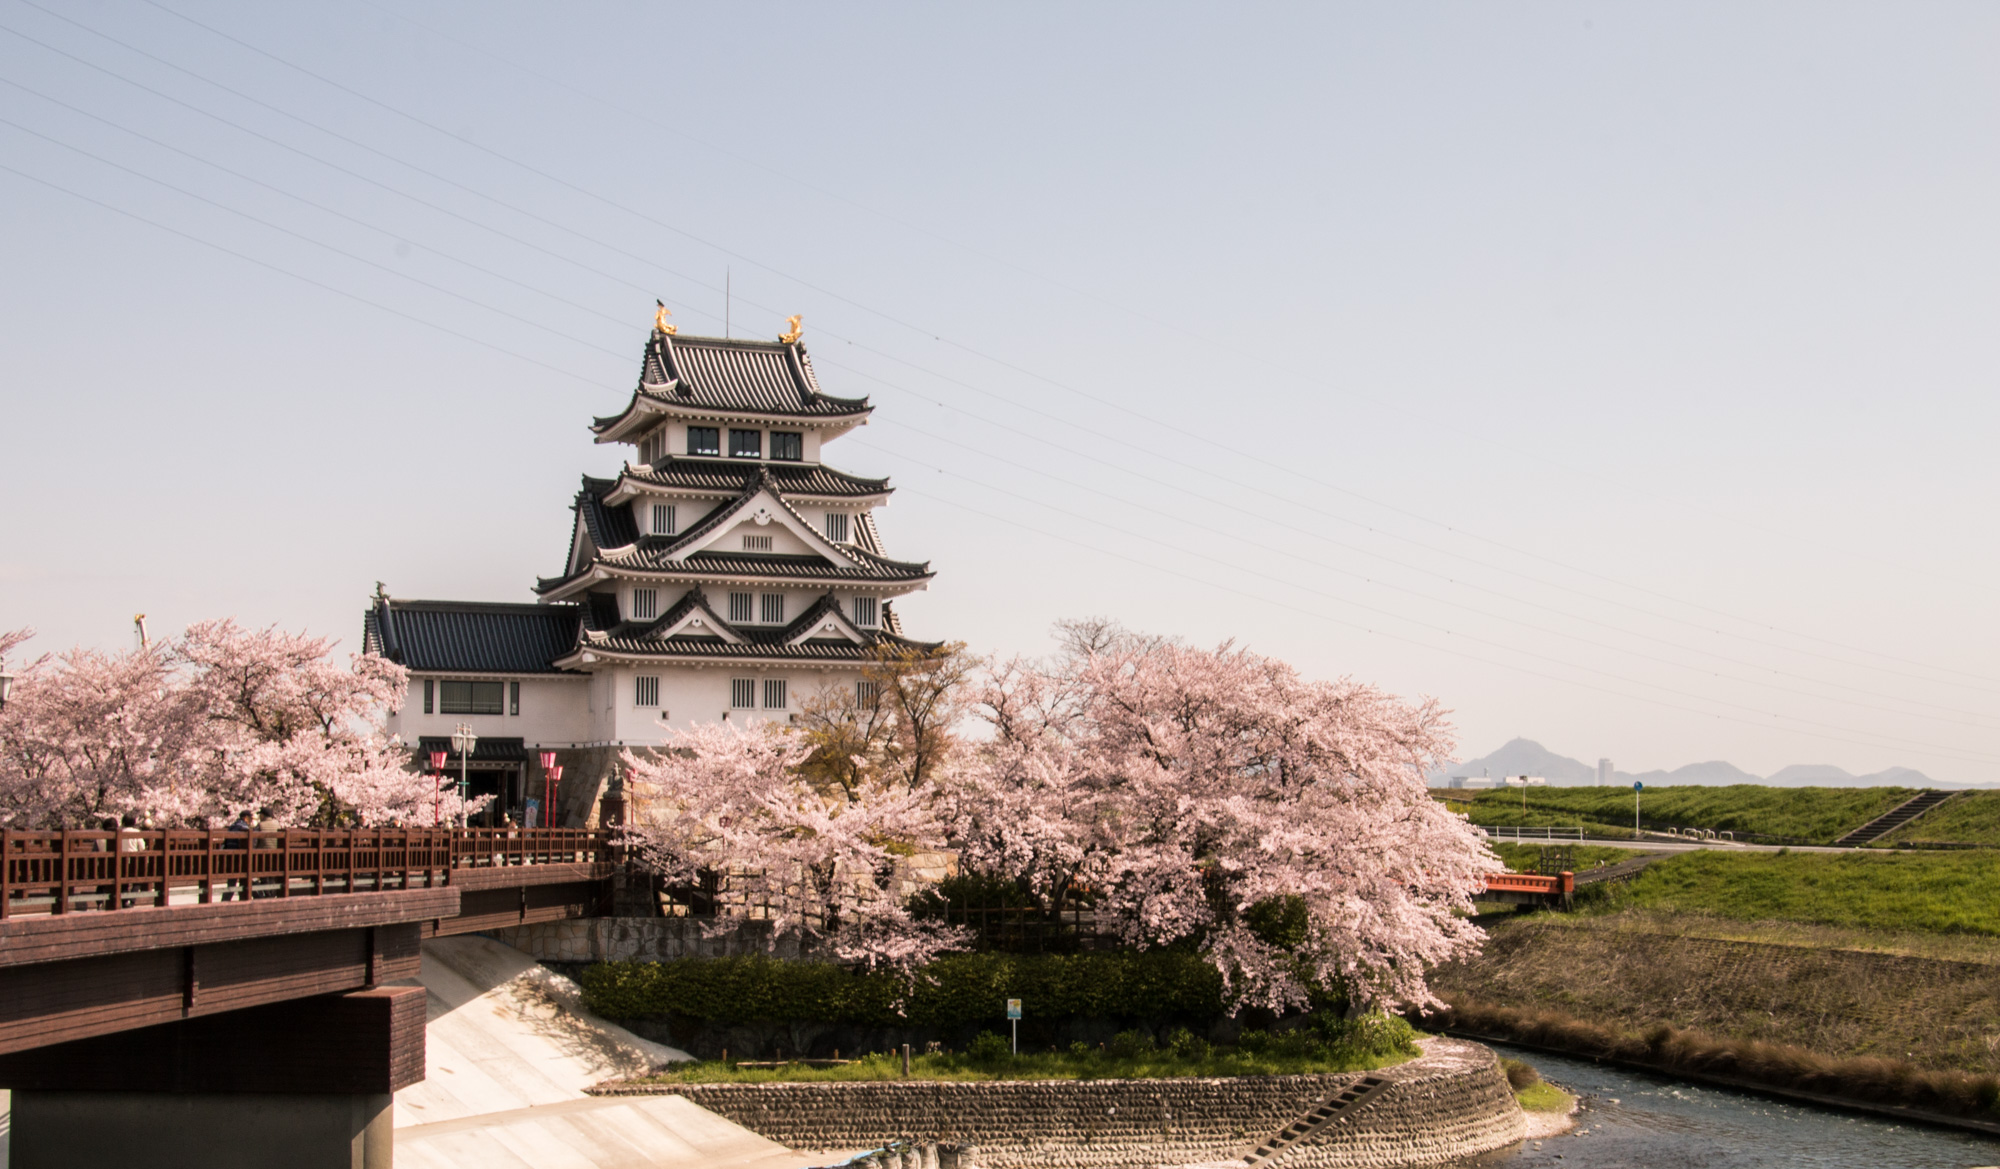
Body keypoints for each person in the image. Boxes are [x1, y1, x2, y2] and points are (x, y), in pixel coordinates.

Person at [221, 809, 252, 902]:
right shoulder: (244, 828)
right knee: (246, 880)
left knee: (232, 881)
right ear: (246, 818)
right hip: (241, 857)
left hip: (230, 856)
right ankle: (246, 899)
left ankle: (225, 900)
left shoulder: (232, 826)